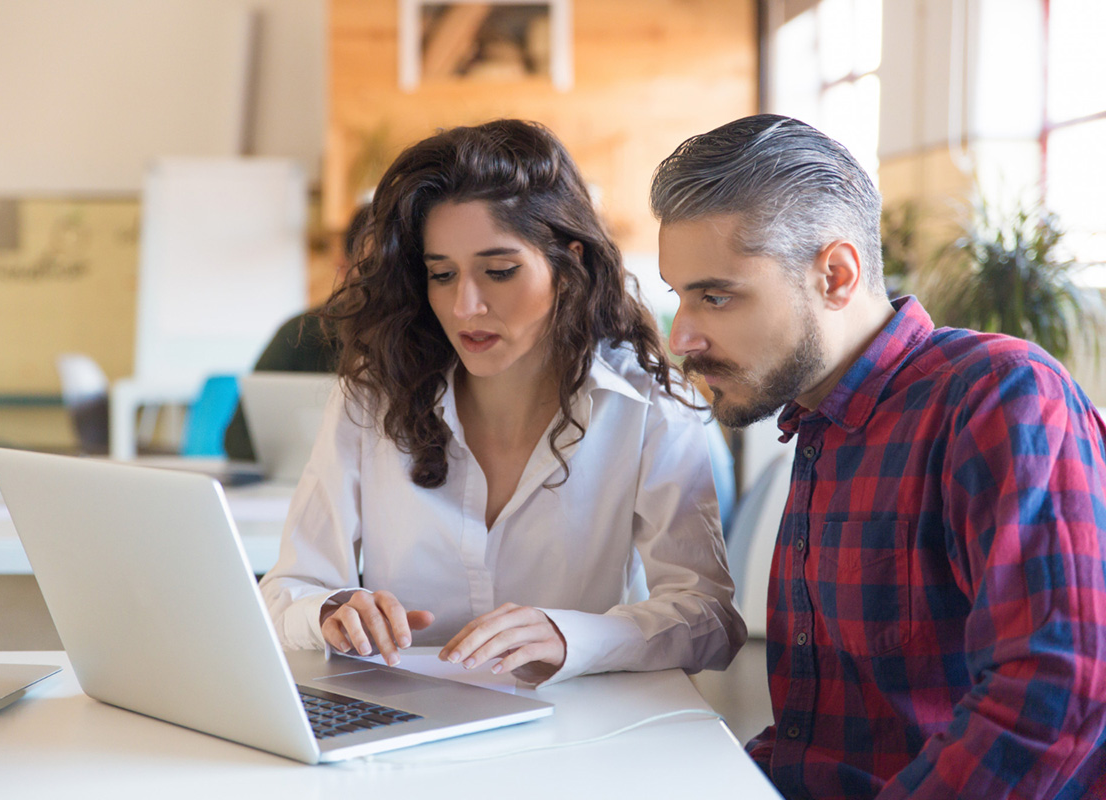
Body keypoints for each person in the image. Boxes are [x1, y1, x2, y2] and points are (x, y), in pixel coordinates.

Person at [650, 114, 1106, 799]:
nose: (682, 335)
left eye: (716, 295)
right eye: (680, 296)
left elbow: (1057, 688)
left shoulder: (998, 394)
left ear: (836, 274)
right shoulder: (817, 423)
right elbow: (826, 739)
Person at [259, 119, 745, 685]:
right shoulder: (371, 399)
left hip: (582, 729)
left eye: (499, 271)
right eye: (441, 275)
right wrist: (328, 612)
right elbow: (286, 590)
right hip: (404, 724)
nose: (465, 305)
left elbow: (709, 619)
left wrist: (570, 638)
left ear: (568, 264)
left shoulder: (650, 407)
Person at [223, 204, 372, 460]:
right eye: (372, 267)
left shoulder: (437, 340)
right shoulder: (300, 334)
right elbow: (239, 440)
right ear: (344, 267)